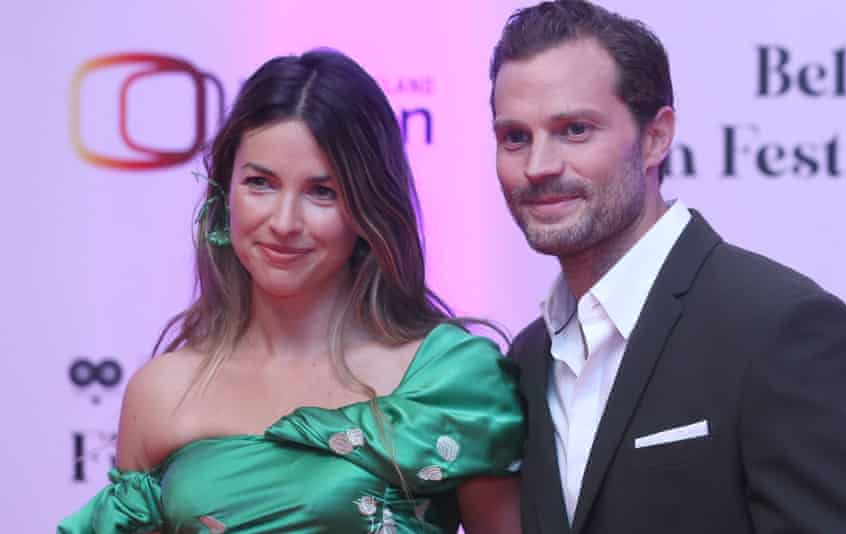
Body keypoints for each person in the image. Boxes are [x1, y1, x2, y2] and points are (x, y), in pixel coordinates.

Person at [59, 49, 523, 533]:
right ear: (224, 192)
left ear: (367, 209)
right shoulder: (160, 393)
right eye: (260, 183)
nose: (283, 223)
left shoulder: (450, 380)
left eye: (322, 191)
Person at [489, 1, 846, 533]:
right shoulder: (528, 357)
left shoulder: (783, 331)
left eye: (575, 130)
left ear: (656, 137)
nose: (538, 166)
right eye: (515, 137)